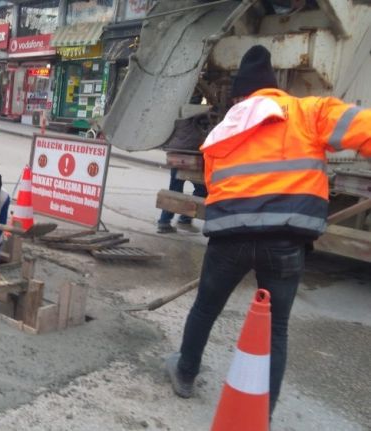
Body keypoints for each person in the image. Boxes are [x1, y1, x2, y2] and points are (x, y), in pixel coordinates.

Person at [165, 45, 371, 418]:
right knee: (275, 329)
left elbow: (214, 188)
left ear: (240, 95)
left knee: (205, 309)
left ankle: (185, 373)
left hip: (229, 239)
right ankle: (262, 413)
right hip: (286, 242)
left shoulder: (222, 132)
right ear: (274, 89)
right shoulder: (310, 110)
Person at [157, 169, 207, 233]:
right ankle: (184, 220)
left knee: (174, 191)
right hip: (195, 165)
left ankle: (164, 221)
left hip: (178, 162)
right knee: (202, 190)